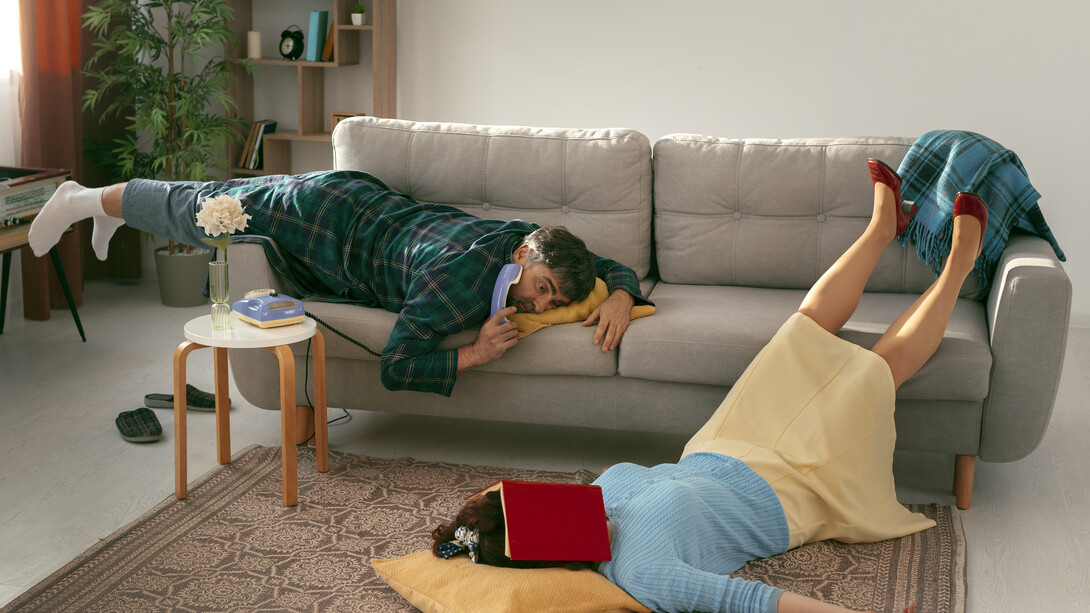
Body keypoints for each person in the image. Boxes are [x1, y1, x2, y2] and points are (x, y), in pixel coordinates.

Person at [430, 159, 989, 613]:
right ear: (550, 554)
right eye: (545, 517)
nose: (555, 504)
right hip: (795, 489)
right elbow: (752, 601)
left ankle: (881, 229)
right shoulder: (642, 573)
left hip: (726, 445)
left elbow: (496, 507)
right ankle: (960, 263)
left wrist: (477, 518)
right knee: (869, 375)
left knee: (799, 334)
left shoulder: (597, 497)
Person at [27, 170, 651, 395]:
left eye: (554, 300)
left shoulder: (530, 238)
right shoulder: (458, 286)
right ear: (522, 256)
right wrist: (476, 354)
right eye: (541, 287)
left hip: (361, 199)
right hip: (320, 222)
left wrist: (620, 294)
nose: (539, 304)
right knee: (203, 209)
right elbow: (397, 367)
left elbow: (604, 265)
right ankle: (81, 199)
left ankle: (109, 212)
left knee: (210, 199)